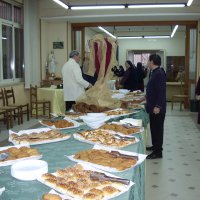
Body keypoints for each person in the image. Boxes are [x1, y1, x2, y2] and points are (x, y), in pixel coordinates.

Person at [145, 54, 166, 159]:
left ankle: (158, 152)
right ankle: (155, 146)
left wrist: (158, 106)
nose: (147, 62)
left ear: (152, 61)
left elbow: (161, 92)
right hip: (152, 107)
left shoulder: (159, 74)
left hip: (157, 108)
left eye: (148, 60)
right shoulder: (154, 72)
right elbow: (153, 90)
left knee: (157, 129)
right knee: (154, 128)